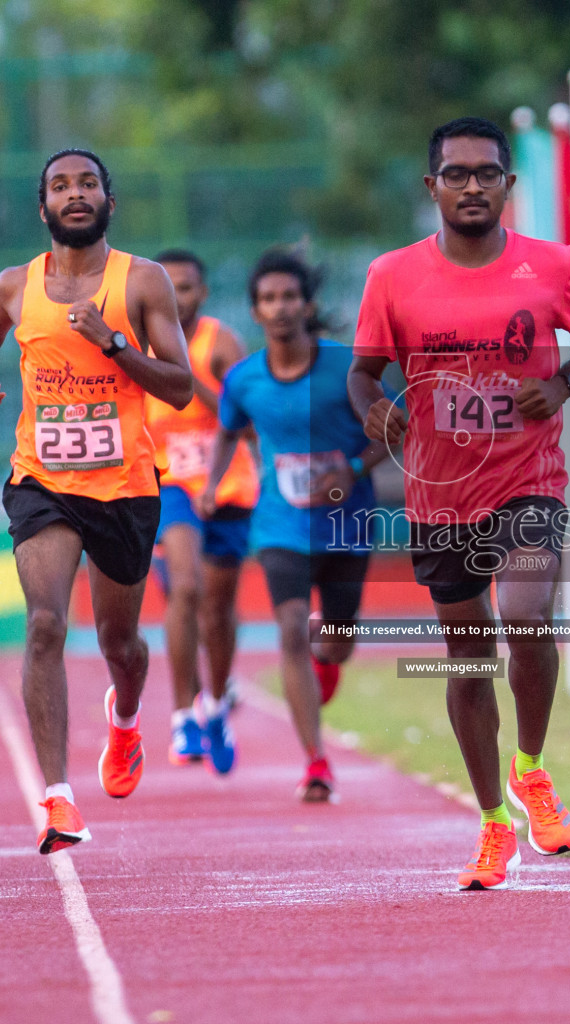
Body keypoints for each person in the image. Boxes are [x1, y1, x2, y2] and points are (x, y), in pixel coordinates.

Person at [348, 117, 570, 890]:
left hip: (531, 477)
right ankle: (495, 819)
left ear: (507, 185)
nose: (472, 186)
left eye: (487, 174)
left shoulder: (551, 265)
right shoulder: (392, 276)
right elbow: (364, 371)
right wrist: (374, 407)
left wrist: (562, 382)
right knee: (468, 658)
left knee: (529, 616)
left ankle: (531, 767)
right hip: (441, 496)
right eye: (457, 174)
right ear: (432, 186)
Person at [0, 148, 193, 854]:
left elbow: (180, 388)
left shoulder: (143, 281)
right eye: (60, 186)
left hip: (124, 487)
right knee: (44, 625)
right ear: (43, 208)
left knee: (119, 645)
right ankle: (58, 798)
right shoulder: (15, 286)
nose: (74, 194)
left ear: (108, 201)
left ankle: (124, 720)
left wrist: (115, 346)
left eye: (87, 183)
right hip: (43, 481)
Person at [201, 248, 390, 802]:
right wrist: (213, 485)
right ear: (255, 311)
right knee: (288, 628)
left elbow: (394, 428)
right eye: (268, 299)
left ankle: (325, 662)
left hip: (347, 523)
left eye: (289, 296)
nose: (280, 307)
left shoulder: (348, 368)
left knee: (336, 642)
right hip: (280, 525)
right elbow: (228, 432)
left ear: (307, 305)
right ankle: (316, 761)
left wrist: (349, 470)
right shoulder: (242, 380)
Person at [144, 249, 257, 775]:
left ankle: (216, 705)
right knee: (183, 589)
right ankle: (182, 716)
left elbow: (250, 419)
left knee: (217, 609)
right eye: (170, 287)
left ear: (202, 293)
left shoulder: (221, 342)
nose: (179, 297)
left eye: (187, 287)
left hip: (228, 487)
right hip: (170, 486)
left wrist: (193, 381)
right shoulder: (139, 346)